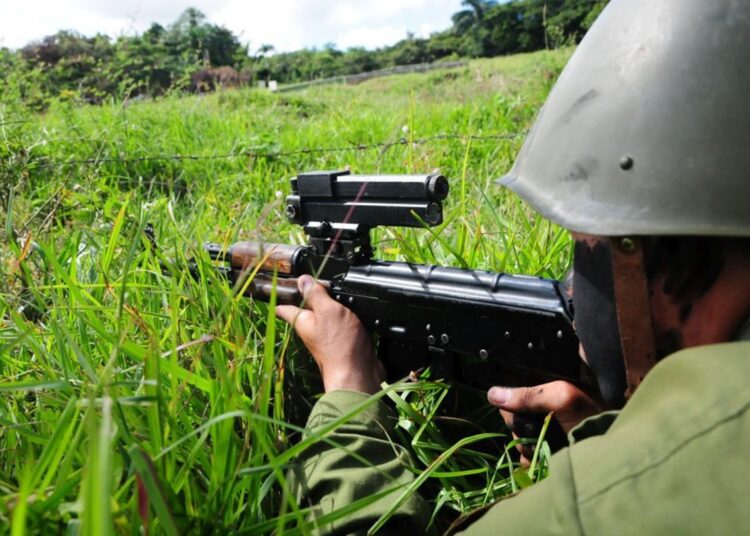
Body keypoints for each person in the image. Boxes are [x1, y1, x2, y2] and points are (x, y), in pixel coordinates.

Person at [275, 0, 750, 533]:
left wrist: (347, 388)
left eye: (585, 251)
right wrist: (617, 436)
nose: (571, 290)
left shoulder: (592, 510)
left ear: (679, 266)